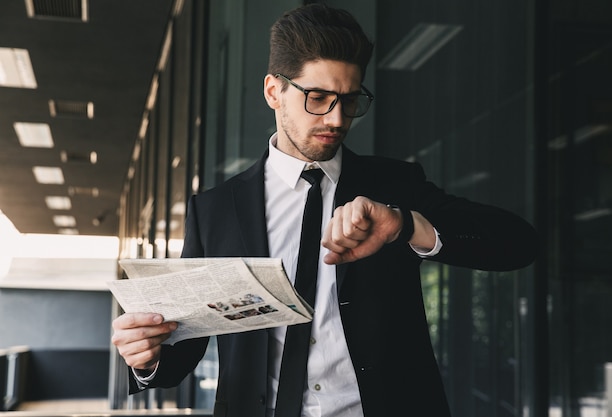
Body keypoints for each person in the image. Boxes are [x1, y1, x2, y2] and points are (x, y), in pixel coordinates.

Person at [111, 3, 538, 417]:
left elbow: (517, 244)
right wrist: (147, 360)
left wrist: (406, 225)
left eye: (349, 100)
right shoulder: (215, 209)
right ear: (273, 91)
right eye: (317, 97)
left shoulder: (394, 186)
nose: (336, 119)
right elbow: (187, 346)